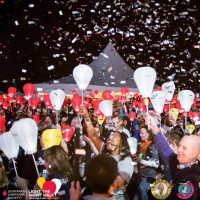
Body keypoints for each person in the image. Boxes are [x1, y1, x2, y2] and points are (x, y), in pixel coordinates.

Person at [80, 104, 134, 200]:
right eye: (109, 136)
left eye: (114, 137)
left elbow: (119, 184)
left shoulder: (126, 160)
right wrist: (86, 116)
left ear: (122, 142)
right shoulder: (105, 151)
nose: (109, 139)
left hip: (117, 197)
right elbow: (92, 134)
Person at [146, 114, 200, 199]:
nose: (179, 150)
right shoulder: (181, 162)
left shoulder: (191, 177)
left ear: (195, 153)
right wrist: (155, 130)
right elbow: (165, 151)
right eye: (180, 146)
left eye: (185, 148)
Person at [133, 124, 159, 200]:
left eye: (142, 133)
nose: (140, 135)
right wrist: (135, 165)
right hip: (140, 177)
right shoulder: (139, 145)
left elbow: (156, 164)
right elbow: (137, 159)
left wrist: (141, 161)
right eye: (140, 133)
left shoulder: (152, 146)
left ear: (148, 134)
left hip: (149, 178)